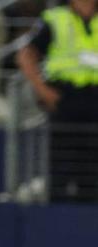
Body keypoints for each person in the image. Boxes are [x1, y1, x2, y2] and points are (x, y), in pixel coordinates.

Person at [17, 0, 98, 202]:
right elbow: (26, 55)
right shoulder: (55, 18)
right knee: (61, 169)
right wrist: (42, 90)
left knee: (93, 177)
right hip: (65, 99)